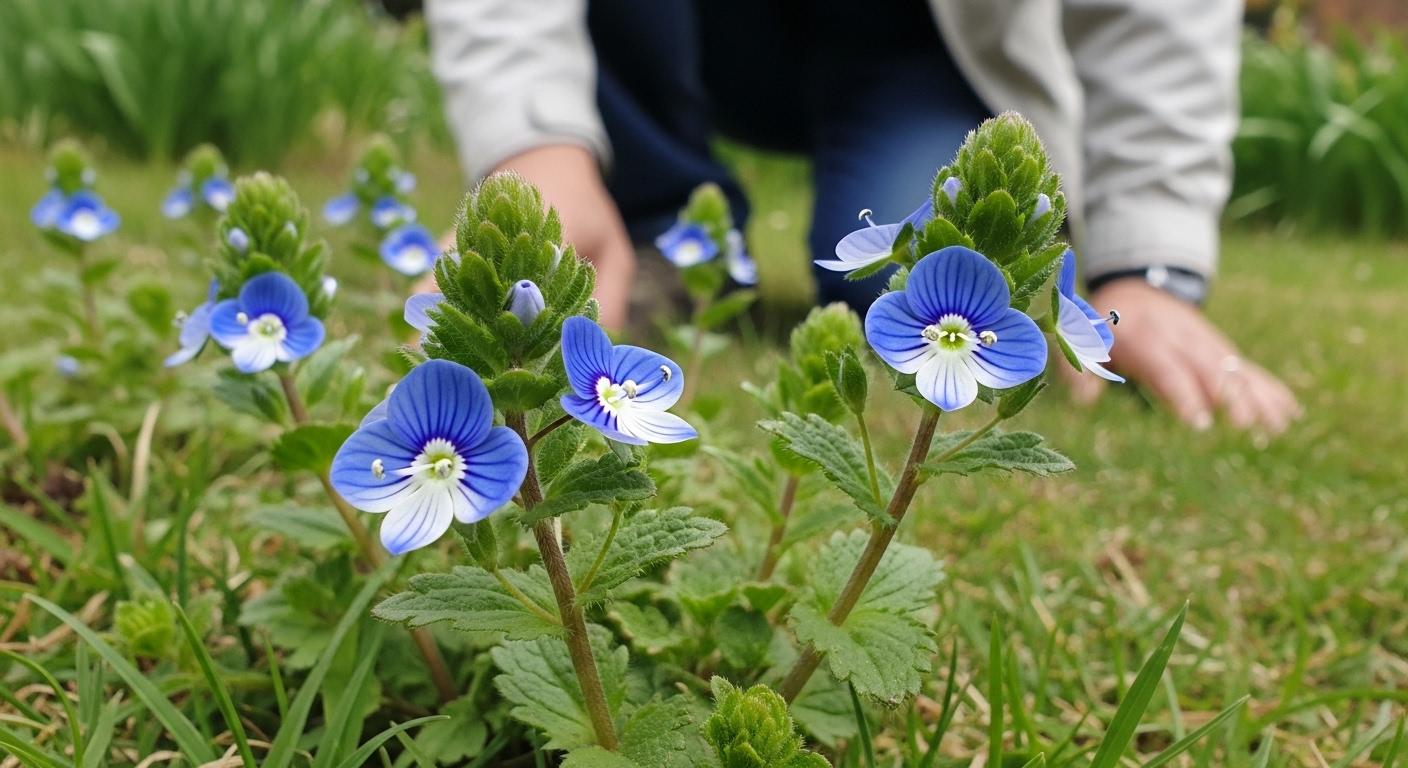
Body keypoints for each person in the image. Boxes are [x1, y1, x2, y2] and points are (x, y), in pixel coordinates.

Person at [423, 0, 1300, 435]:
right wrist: (531, 140)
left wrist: (1146, 262)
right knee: (922, 297)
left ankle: (991, 276)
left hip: (917, 35)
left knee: (909, 278)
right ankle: (658, 226)